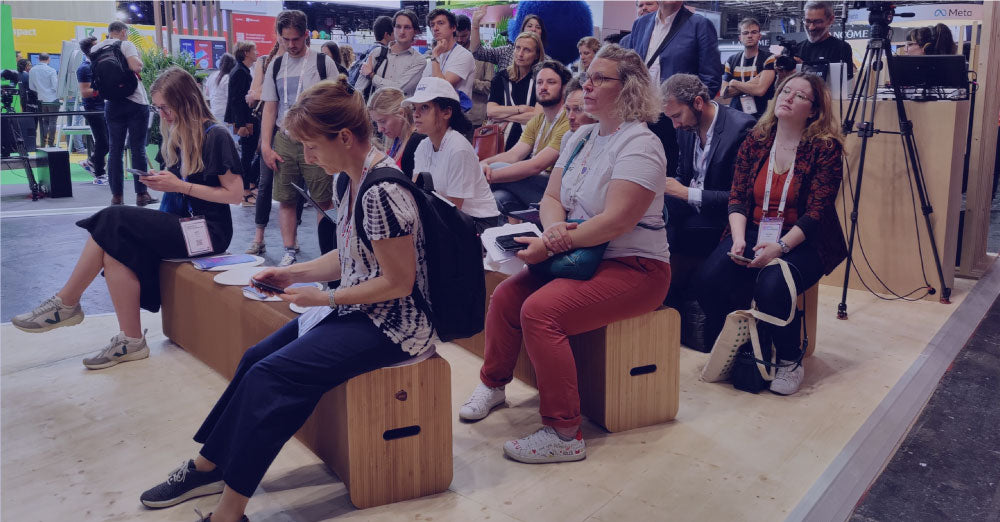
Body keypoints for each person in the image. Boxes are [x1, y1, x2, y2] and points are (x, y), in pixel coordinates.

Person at [138, 78, 434, 522]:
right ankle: (209, 466)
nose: (307, 157)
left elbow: (399, 283)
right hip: (359, 310)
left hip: (394, 325)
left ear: (346, 138)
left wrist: (326, 297)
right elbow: (352, 254)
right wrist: (291, 272)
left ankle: (229, 513)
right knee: (256, 358)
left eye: (312, 147)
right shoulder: (349, 182)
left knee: (272, 378)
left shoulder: (382, 191)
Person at [458, 44, 670, 463]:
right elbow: (552, 197)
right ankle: (494, 383)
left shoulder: (642, 144)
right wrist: (553, 231)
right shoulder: (581, 136)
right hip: (581, 254)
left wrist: (553, 242)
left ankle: (563, 432)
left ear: (628, 89)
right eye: (586, 76)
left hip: (635, 266)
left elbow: (617, 222)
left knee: (540, 311)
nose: (586, 85)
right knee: (504, 297)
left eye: (599, 78)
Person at [11, 67, 243, 369]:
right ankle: (131, 341)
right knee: (113, 249)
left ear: (185, 101)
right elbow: (177, 186)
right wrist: (163, 181)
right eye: (157, 107)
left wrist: (180, 185)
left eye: (165, 107)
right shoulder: (177, 134)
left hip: (209, 231)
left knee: (114, 218)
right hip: (181, 224)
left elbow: (235, 195)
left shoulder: (216, 135)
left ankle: (66, 302)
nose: (162, 113)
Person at [695, 73, 846, 396]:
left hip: (804, 237)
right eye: (785, 90)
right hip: (751, 227)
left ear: (814, 110)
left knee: (773, 283)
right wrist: (737, 239)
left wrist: (778, 248)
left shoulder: (825, 148)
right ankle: (747, 344)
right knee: (708, 279)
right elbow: (737, 197)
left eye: (800, 96)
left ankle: (791, 359)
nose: (788, 97)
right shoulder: (758, 137)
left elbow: (817, 213)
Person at [660, 73, 755, 305]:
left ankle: (661, 292)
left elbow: (740, 197)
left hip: (724, 218)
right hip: (691, 207)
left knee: (665, 225)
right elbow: (684, 175)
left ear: (698, 102)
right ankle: (659, 290)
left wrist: (684, 193)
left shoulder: (741, 129)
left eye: (677, 116)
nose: (675, 124)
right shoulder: (686, 127)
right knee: (652, 213)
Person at [259, 9, 339, 266]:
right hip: (284, 138)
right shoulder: (276, 65)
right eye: (285, 39)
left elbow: (337, 100)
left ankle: (327, 251)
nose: (291, 45)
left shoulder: (322, 62)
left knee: (322, 199)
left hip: (316, 138)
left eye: (296, 39)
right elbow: (270, 107)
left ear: (306, 35)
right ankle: (289, 250)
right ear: (279, 37)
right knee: (286, 197)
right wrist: (265, 146)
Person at [623, 1, 722, 189]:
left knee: (669, 181)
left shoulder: (699, 24)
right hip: (641, 116)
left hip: (677, 121)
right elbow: (632, 71)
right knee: (638, 174)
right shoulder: (641, 24)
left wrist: (692, 115)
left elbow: (711, 77)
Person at [408, 77, 501, 233]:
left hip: (477, 224)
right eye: (414, 107)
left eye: (424, 107)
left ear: (447, 112)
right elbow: (416, 193)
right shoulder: (423, 146)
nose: (415, 114)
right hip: (445, 217)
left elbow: (453, 210)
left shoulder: (458, 149)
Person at [482, 60, 572, 214]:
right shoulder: (538, 120)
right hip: (533, 184)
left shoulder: (568, 119)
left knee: (494, 169)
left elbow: (536, 165)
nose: (543, 87)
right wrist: (482, 164)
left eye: (551, 82)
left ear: (564, 88)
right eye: (539, 82)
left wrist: (488, 175)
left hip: (555, 189)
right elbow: (513, 155)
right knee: (498, 197)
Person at [91, 21, 156, 206]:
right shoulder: (125, 44)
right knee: (137, 149)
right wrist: (139, 61)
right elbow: (136, 66)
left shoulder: (96, 49)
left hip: (111, 104)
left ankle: (117, 197)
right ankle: (141, 194)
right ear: (124, 32)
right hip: (134, 101)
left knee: (115, 150)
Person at [245, 39, 286, 256]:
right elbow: (253, 95)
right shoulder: (265, 61)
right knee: (265, 184)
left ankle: (292, 240)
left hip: (295, 130)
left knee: (293, 187)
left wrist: (264, 92)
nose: (289, 42)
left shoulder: (306, 60)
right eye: (285, 36)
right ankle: (258, 237)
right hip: (269, 130)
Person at [486, 32, 544, 151]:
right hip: (500, 144)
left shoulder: (541, 80)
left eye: (527, 50)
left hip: (530, 144)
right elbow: (491, 111)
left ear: (537, 55)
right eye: (518, 48)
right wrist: (521, 109)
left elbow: (538, 116)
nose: (520, 54)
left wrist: (504, 116)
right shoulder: (501, 77)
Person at [355, 10, 425, 98]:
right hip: (373, 110)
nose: (402, 31)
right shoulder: (377, 53)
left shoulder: (419, 60)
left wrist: (372, 76)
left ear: (415, 31)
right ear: (393, 29)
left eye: (407, 27)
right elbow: (359, 88)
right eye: (398, 26)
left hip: (401, 111)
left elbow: (398, 89)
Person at [226, 41, 259, 207]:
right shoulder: (240, 72)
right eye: (254, 50)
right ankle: (245, 192)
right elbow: (237, 101)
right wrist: (242, 124)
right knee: (246, 156)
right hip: (246, 121)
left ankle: (248, 187)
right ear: (246, 52)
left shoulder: (242, 70)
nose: (257, 52)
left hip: (246, 120)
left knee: (248, 154)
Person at [721, 18, 776, 120]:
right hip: (736, 115)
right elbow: (724, 93)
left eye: (754, 32)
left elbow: (760, 90)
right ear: (740, 38)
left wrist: (735, 83)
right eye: (745, 33)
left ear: (759, 36)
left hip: (761, 116)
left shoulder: (768, 58)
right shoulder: (731, 60)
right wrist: (755, 82)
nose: (749, 36)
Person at [367, 87, 425, 178]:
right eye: (376, 122)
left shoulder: (417, 141)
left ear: (401, 114)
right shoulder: (398, 139)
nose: (379, 129)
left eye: (383, 121)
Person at [470, 6, 550, 70]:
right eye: (529, 26)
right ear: (522, 30)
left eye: (538, 27)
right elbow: (478, 52)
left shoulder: (546, 62)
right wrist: (475, 26)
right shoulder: (506, 51)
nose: (533, 29)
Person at [422, 8, 476, 100]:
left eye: (440, 23)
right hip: (430, 110)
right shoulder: (435, 55)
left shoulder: (464, 55)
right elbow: (424, 87)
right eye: (432, 25)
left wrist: (435, 55)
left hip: (453, 112)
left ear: (453, 28)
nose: (435, 28)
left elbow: (441, 87)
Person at [77, 37, 110, 185]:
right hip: (93, 109)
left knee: (107, 141)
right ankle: (99, 174)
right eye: (97, 46)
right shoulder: (84, 68)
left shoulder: (98, 65)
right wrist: (103, 89)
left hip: (103, 108)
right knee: (103, 141)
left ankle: (91, 162)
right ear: (90, 50)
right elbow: (85, 92)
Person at [456, 14, 495, 132]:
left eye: (464, 36)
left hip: (475, 119)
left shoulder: (484, 56)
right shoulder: (451, 54)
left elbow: (490, 87)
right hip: (453, 116)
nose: (459, 40)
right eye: (456, 36)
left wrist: (469, 82)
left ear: (470, 32)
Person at [797, 1, 854, 79]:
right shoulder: (796, 48)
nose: (811, 27)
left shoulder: (841, 48)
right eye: (808, 21)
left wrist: (805, 68)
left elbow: (843, 84)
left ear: (830, 20)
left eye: (817, 22)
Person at [28, 53, 59, 148]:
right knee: (53, 121)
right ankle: (51, 143)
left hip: (41, 99)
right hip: (53, 99)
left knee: (44, 121)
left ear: (38, 59)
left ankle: (43, 142)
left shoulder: (32, 70)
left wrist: (41, 91)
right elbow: (55, 86)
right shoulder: (51, 70)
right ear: (48, 59)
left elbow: (31, 87)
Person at [559, 75, 596, 152]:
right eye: (568, 109)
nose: (570, 117)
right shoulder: (568, 137)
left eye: (578, 109)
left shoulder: (606, 140)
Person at [205, 53, 237, 138]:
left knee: (219, 138)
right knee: (230, 139)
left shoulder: (213, 75)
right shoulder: (228, 78)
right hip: (225, 114)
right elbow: (230, 98)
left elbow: (207, 93)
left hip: (214, 113)